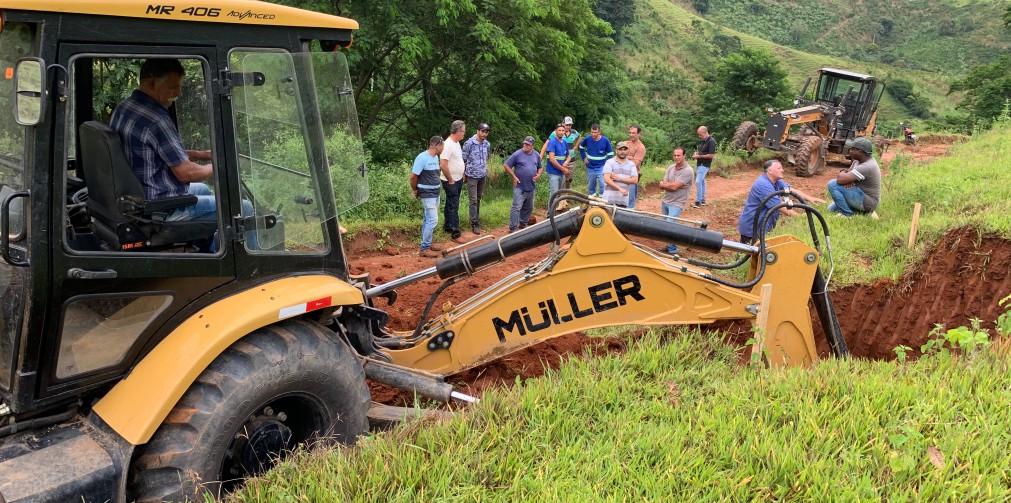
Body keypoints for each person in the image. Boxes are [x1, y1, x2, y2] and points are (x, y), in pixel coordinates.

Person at [110, 58, 215, 222]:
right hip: (158, 206)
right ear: (152, 84)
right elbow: (186, 173)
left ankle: (202, 246)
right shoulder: (156, 120)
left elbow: (162, 153)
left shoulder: (125, 107)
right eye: (173, 87)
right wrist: (220, 165)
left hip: (135, 194)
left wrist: (203, 155)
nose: (179, 93)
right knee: (244, 208)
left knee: (204, 190)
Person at [737, 159, 825, 245]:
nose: (782, 170)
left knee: (763, 252)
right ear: (770, 171)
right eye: (779, 168)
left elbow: (791, 190)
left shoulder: (777, 181)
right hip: (752, 225)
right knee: (749, 252)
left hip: (764, 224)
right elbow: (781, 206)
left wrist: (809, 198)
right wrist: (802, 218)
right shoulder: (763, 184)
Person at [411, 136, 454, 258]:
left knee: (427, 219)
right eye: (443, 146)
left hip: (435, 193)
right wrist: (415, 190)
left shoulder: (435, 157)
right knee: (432, 220)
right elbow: (413, 176)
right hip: (427, 194)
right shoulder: (421, 158)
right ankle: (424, 248)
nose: (443, 149)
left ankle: (427, 244)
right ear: (438, 145)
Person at [827, 137, 882, 218]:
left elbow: (840, 180)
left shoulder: (867, 166)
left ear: (859, 151)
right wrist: (847, 177)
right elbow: (848, 174)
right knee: (831, 209)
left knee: (833, 184)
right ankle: (863, 212)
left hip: (869, 202)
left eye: (852, 149)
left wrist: (844, 174)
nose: (850, 151)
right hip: (859, 194)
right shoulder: (857, 161)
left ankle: (846, 214)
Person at [658, 147, 694, 254]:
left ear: (684, 156)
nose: (676, 157)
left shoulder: (688, 171)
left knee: (670, 224)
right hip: (666, 200)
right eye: (675, 155)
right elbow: (663, 185)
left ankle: (673, 250)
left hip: (677, 202)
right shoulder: (670, 168)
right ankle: (669, 246)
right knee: (666, 226)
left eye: (679, 155)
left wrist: (666, 185)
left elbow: (673, 187)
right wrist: (668, 185)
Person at [504, 136, 543, 232]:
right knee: (516, 207)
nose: (525, 145)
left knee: (529, 207)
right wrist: (514, 177)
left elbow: (540, 167)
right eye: (524, 143)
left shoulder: (536, 155)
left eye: (528, 144)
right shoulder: (518, 154)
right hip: (520, 186)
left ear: (532, 146)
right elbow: (506, 165)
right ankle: (513, 227)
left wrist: (538, 175)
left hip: (531, 186)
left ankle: (523, 223)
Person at [440, 120, 467, 242]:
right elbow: (443, 165)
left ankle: (447, 227)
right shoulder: (448, 144)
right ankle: (455, 233)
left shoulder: (456, 143)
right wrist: (450, 180)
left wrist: (461, 174)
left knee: (450, 204)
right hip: (450, 180)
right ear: (457, 131)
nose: (464, 134)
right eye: (463, 132)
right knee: (453, 206)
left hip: (457, 179)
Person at [462, 123, 491, 235]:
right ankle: (474, 223)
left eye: (486, 132)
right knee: (473, 199)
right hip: (472, 175)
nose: (484, 133)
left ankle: (476, 219)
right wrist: (464, 174)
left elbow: (486, 157)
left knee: (478, 198)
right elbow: (463, 159)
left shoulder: (487, 144)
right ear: (478, 131)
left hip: (482, 174)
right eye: (482, 131)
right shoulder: (469, 143)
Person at [540, 116, 580, 191]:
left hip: (571, 159)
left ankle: (566, 194)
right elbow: (547, 143)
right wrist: (541, 155)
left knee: (569, 178)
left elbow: (579, 137)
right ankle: (562, 199)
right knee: (562, 180)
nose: (568, 127)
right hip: (560, 160)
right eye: (566, 125)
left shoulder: (574, 132)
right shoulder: (556, 134)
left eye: (570, 125)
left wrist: (575, 147)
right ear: (563, 123)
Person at [577, 124, 614, 198]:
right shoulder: (587, 139)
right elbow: (581, 147)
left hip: (601, 166)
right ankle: (592, 199)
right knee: (591, 184)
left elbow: (610, 153)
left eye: (595, 132)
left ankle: (601, 198)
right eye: (592, 132)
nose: (593, 134)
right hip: (590, 167)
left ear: (599, 132)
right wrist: (584, 157)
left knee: (603, 183)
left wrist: (607, 164)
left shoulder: (605, 140)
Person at [602, 141, 638, 208]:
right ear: (616, 151)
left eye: (625, 149)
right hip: (608, 200)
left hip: (623, 201)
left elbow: (635, 180)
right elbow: (606, 179)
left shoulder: (631, 164)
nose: (622, 151)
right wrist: (620, 188)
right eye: (620, 149)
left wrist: (619, 179)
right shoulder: (609, 162)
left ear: (627, 151)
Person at [543, 124, 572, 203]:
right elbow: (552, 159)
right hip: (553, 172)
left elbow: (569, 156)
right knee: (554, 194)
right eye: (559, 130)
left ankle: (554, 214)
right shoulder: (552, 142)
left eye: (563, 131)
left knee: (558, 194)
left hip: (561, 173)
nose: (561, 132)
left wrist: (566, 162)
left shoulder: (564, 142)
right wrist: (563, 169)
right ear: (555, 131)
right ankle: (550, 215)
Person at [692, 125, 717, 208]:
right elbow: (703, 152)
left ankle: (698, 202)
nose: (699, 136)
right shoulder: (704, 141)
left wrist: (699, 156)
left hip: (704, 164)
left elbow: (711, 155)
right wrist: (697, 154)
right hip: (700, 164)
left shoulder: (711, 141)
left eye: (700, 134)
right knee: (702, 182)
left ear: (705, 132)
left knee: (698, 181)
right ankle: (702, 200)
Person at [624, 124, 646, 209]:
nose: (631, 135)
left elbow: (634, 164)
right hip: (622, 176)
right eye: (630, 132)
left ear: (638, 134)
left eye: (633, 133)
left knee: (630, 202)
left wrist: (624, 157)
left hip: (632, 177)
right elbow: (617, 157)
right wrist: (630, 157)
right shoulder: (626, 143)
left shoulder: (641, 147)